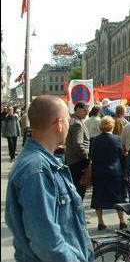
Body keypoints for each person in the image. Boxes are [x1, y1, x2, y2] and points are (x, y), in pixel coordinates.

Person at [5, 95, 94, 262]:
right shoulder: (37, 169)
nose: (69, 124)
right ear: (59, 124)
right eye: (67, 120)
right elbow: (47, 243)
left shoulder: (41, 163)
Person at [90, 116, 127, 230]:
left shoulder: (95, 140)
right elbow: (121, 157)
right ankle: (122, 221)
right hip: (114, 172)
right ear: (112, 126)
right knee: (118, 197)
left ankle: (101, 222)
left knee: (98, 197)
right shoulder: (117, 139)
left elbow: (92, 156)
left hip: (99, 172)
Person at [65, 101, 90, 200]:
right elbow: (78, 144)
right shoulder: (77, 124)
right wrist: (86, 156)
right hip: (78, 161)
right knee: (79, 190)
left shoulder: (73, 120)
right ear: (79, 110)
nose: (87, 113)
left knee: (75, 189)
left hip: (73, 160)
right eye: (85, 110)